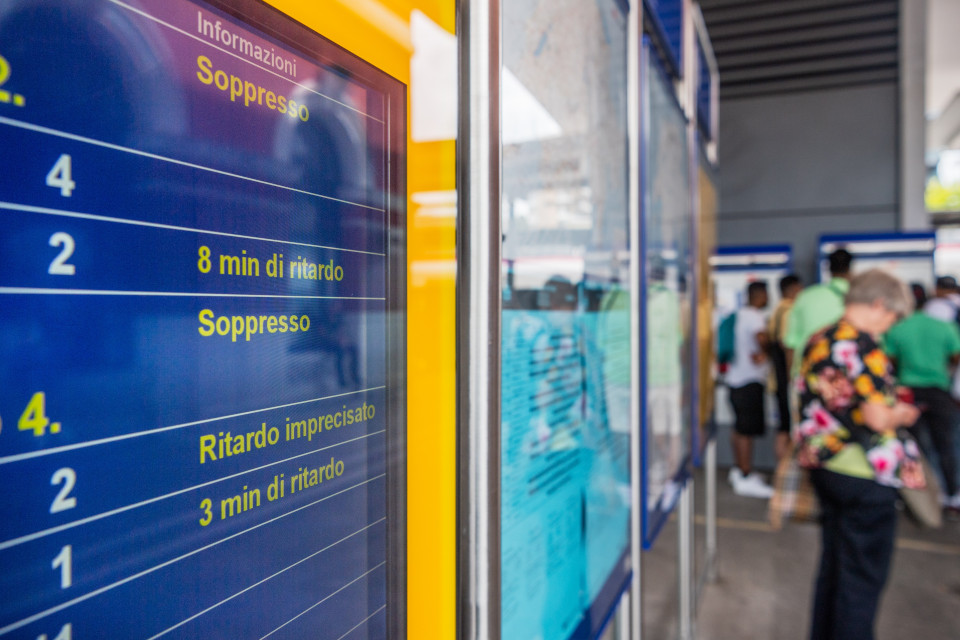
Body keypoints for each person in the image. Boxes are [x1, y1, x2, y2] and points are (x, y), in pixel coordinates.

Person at [795, 269, 924, 640]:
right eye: (892, 317)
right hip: (865, 473)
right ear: (878, 305)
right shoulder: (862, 345)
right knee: (862, 581)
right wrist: (902, 413)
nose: (890, 326)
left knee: (834, 568)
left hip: (826, 464)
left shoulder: (821, 337)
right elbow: (876, 416)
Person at [884, 302, 960, 509]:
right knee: (947, 444)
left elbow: (889, 358)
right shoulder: (945, 327)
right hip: (939, 390)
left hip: (908, 392)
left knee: (913, 445)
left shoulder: (899, 327)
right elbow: (956, 355)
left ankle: (920, 496)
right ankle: (952, 494)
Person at [726, 281, 774, 498]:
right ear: (760, 295)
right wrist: (768, 352)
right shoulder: (754, 317)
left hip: (735, 379)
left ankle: (740, 470)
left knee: (739, 428)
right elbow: (761, 338)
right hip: (749, 380)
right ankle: (746, 475)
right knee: (746, 431)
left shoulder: (738, 315)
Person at [784, 249, 853, 378]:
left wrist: (793, 379)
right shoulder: (860, 299)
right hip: (848, 377)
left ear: (828, 268)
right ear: (851, 269)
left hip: (808, 374)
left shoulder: (805, 297)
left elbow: (791, 344)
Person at [768, 274, 803, 459]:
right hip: (786, 378)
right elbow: (787, 346)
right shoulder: (789, 311)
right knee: (787, 426)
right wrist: (792, 378)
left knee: (784, 424)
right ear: (793, 288)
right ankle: (784, 468)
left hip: (778, 376)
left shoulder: (777, 310)